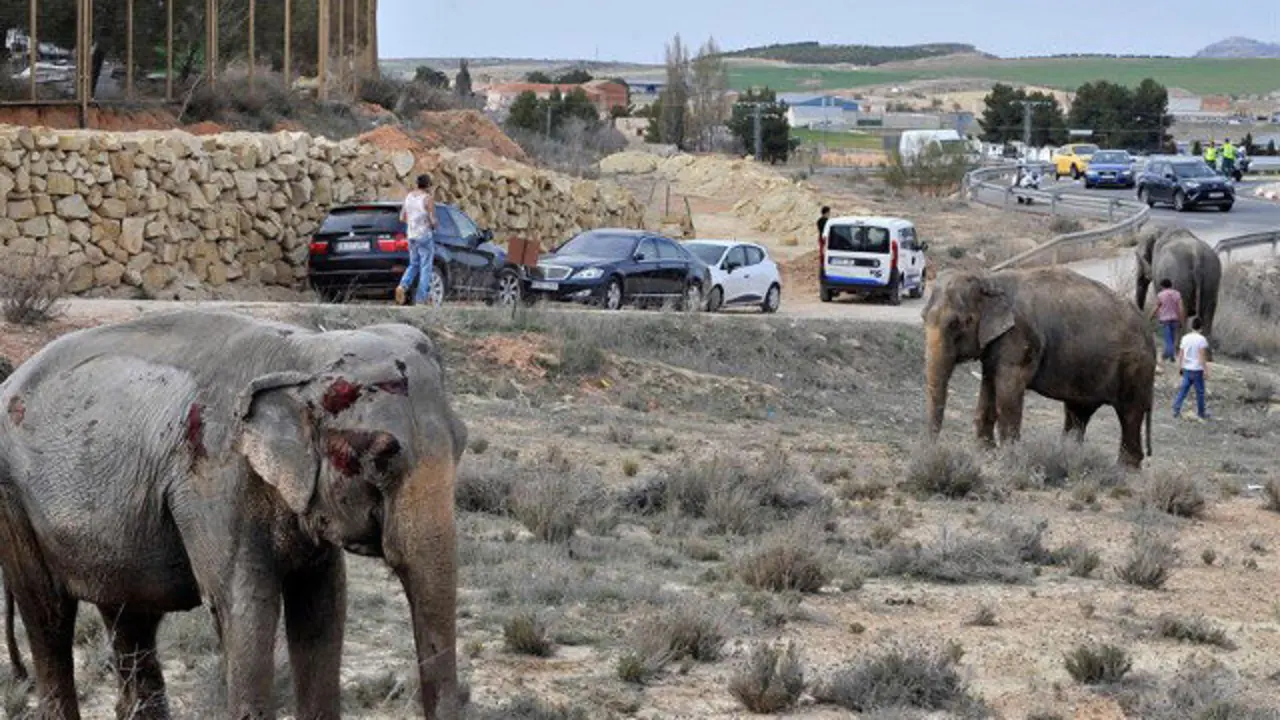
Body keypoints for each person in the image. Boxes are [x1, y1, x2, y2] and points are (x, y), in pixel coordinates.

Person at [395, 174, 438, 306]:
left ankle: (403, 286)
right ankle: (421, 298)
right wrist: (434, 224)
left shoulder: (408, 197)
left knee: (413, 264)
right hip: (424, 235)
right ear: (428, 185)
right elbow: (432, 220)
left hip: (411, 235)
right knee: (426, 267)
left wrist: (413, 222)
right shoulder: (427, 199)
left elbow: (402, 218)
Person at [1173, 316, 1210, 421]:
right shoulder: (1201, 339)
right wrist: (1206, 370)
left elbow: (1181, 354)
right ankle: (1201, 412)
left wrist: (1180, 366)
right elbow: (1202, 356)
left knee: (1183, 390)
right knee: (1200, 392)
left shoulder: (1185, 338)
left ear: (1191, 326)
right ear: (1201, 327)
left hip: (1187, 368)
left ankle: (1176, 408)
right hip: (1197, 369)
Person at [1149, 278, 1185, 362]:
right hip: (1175, 319)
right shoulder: (1177, 294)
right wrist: (1182, 320)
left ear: (1162, 286)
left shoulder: (1160, 295)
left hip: (1165, 320)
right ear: (1171, 285)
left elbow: (1156, 307)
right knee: (1172, 338)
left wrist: (1149, 317)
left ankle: (1166, 354)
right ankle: (1172, 357)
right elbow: (1181, 307)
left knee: (1168, 339)